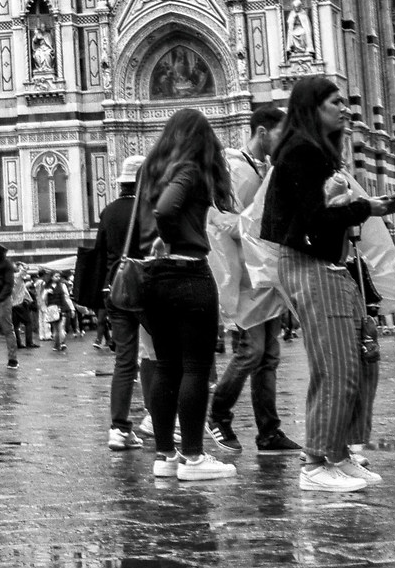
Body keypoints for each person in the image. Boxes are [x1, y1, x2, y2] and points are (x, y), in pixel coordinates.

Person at [260, 75, 395, 494]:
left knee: (359, 358)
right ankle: (316, 461)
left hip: (328, 264)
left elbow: (318, 213)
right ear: (312, 107)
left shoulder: (317, 153)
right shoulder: (301, 152)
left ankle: (339, 453)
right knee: (337, 365)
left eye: (344, 101)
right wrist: (365, 207)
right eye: (334, 102)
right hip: (311, 266)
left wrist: (346, 202)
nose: (345, 109)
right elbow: (311, 220)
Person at [137, 106, 237, 481]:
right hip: (189, 273)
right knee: (195, 367)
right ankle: (194, 458)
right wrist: (173, 234)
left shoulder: (154, 169)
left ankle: (166, 456)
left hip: (155, 278)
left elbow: (157, 208)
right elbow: (165, 209)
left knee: (166, 366)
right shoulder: (191, 170)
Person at [210, 103, 296, 456]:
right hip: (245, 276)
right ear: (263, 132)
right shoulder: (235, 170)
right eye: (280, 133)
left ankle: (269, 431)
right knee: (252, 351)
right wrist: (254, 226)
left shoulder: (269, 169)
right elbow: (219, 220)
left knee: (270, 355)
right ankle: (218, 413)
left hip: (268, 275)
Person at [98, 157, 156, 449]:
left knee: (124, 360)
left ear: (120, 183)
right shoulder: (150, 209)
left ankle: (119, 429)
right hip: (146, 289)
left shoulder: (108, 212)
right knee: (155, 355)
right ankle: (156, 418)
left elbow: (99, 253)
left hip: (116, 290)